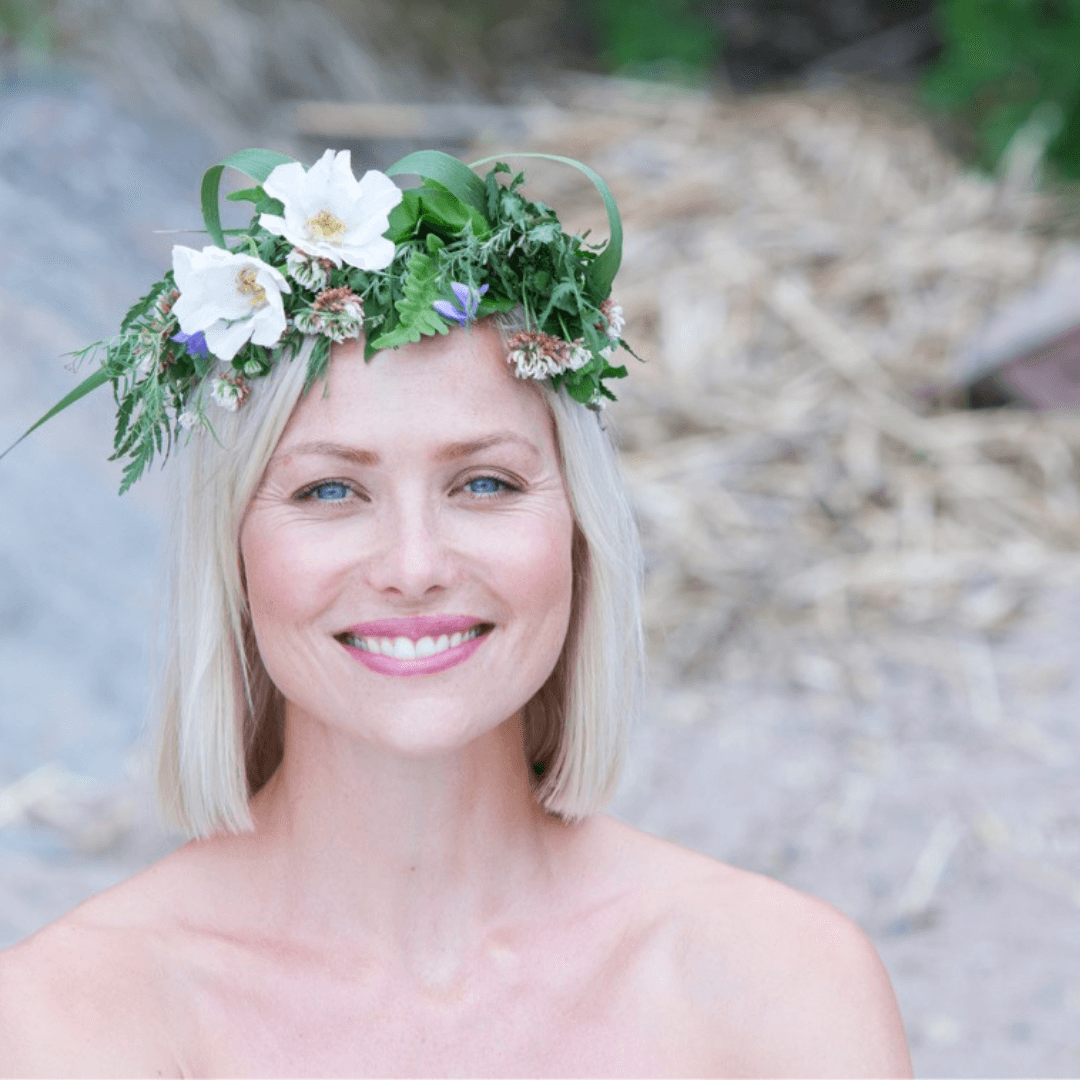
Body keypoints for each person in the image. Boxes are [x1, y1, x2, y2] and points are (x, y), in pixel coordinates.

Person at [0, 147, 911, 1078]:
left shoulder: (784, 992)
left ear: (580, 532)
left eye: (483, 482)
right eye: (327, 492)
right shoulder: (63, 1024)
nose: (414, 566)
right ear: (231, 555)